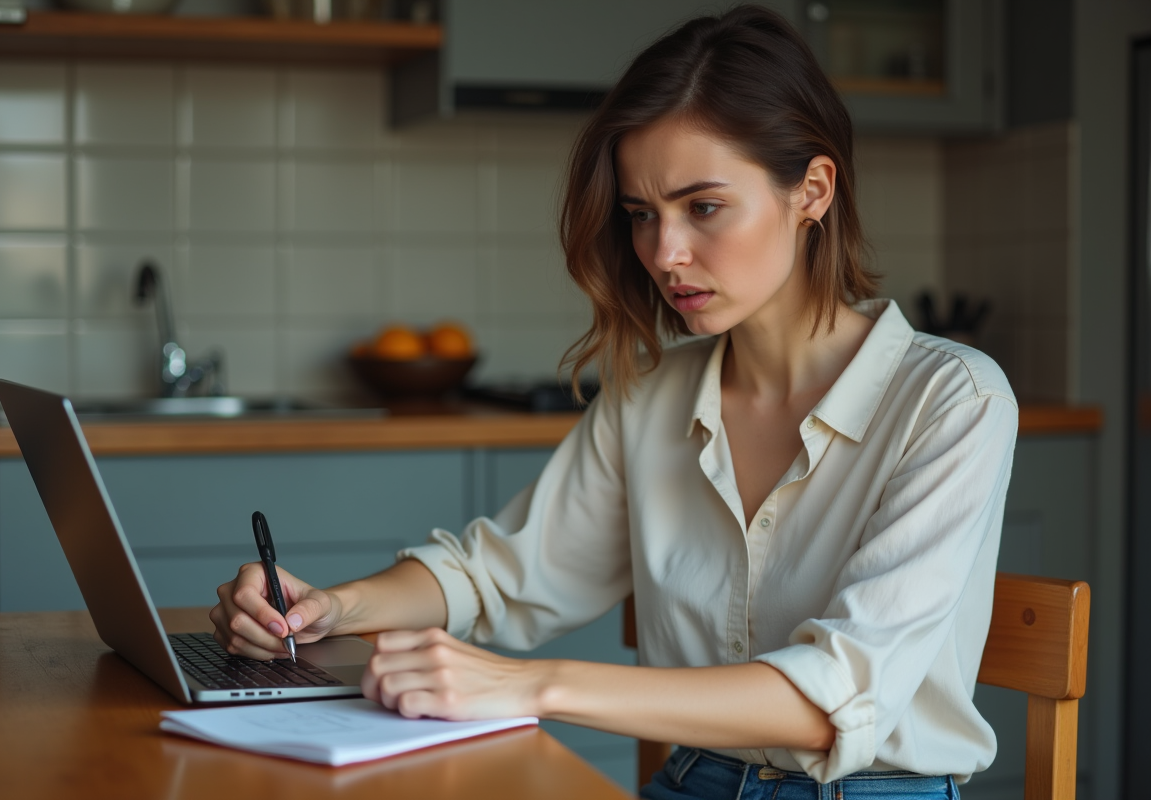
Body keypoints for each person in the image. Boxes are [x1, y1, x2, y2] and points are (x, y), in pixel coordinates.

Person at [209, 6, 1017, 798]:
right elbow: (501, 575)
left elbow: (832, 696)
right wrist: (330, 609)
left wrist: (533, 685)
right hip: (694, 779)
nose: (664, 253)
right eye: (641, 216)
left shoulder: (953, 402)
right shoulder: (651, 396)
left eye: (703, 207)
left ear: (812, 190)